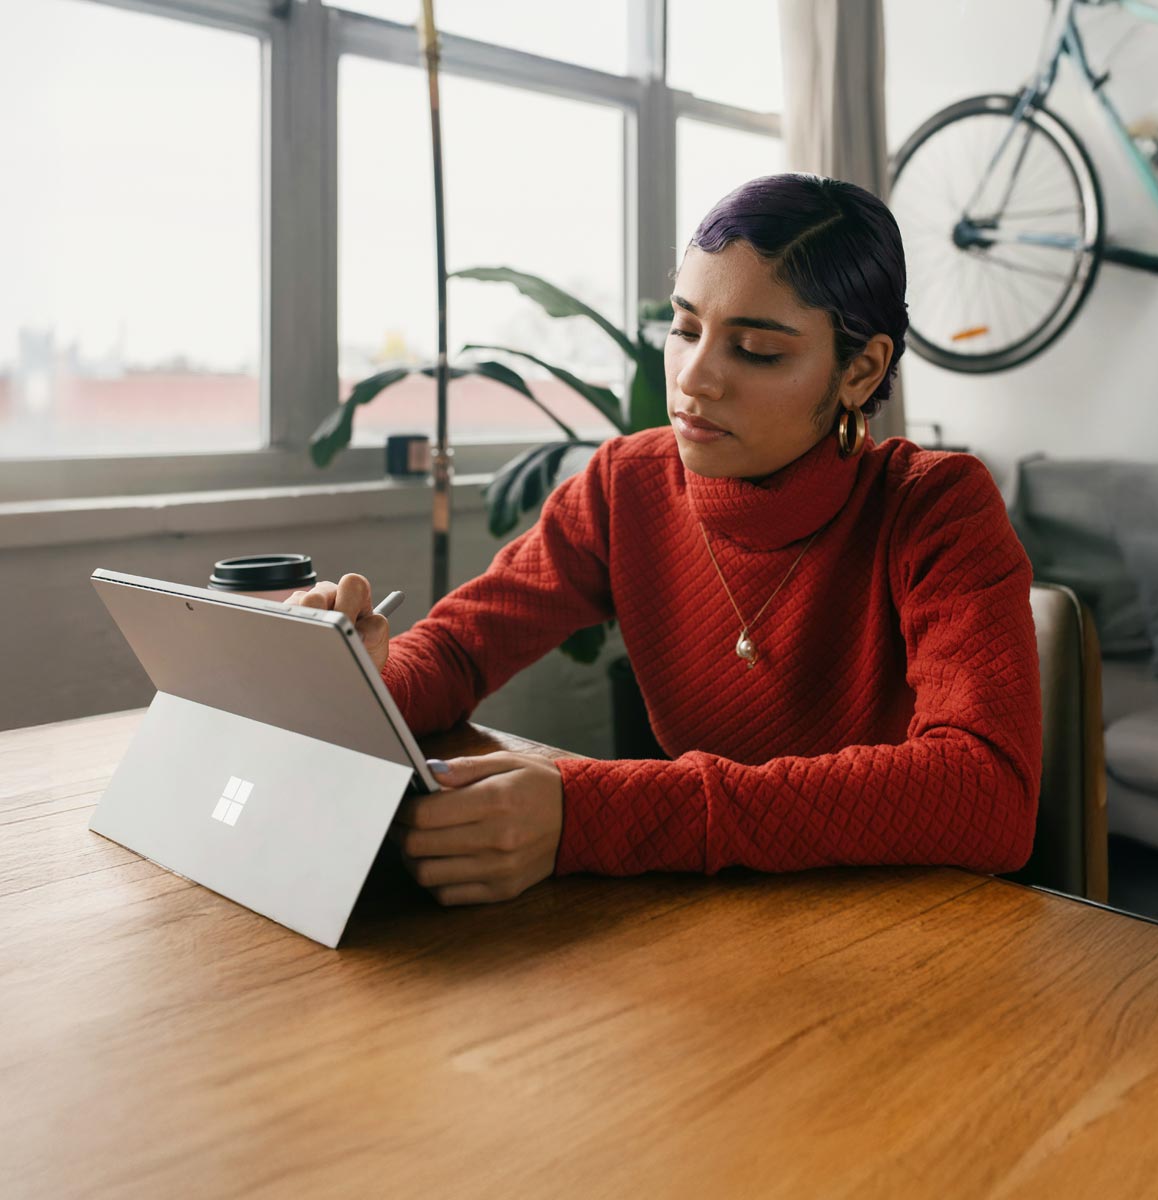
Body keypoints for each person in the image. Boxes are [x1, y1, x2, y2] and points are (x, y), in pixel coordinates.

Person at [289, 173, 1042, 908]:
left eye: (755, 349)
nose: (694, 379)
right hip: (712, 924)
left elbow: (987, 789)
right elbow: (459, 647)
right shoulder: (628, 484)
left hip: (906, 935)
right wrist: (353, 680)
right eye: (684, 329)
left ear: (861, 369)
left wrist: (594, 813)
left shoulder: (938, 507)